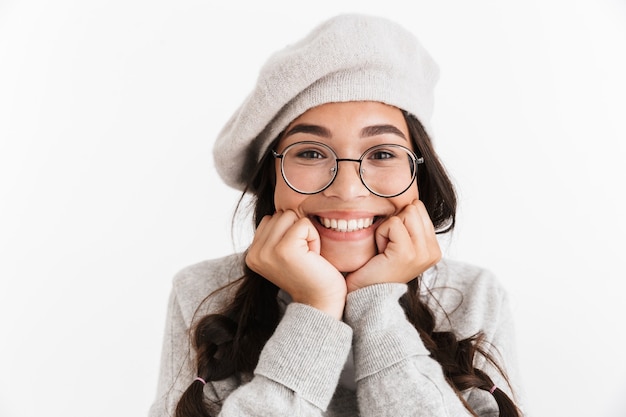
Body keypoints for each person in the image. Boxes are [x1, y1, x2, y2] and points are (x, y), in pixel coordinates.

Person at [149, 13, 525, 417]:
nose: (347, 189)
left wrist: (377, 305)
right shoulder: (202, 291)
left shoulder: (474, 295)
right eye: (310, 153)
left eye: (382, 153)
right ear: (270, 177)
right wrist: (315, 308)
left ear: (421, 175)